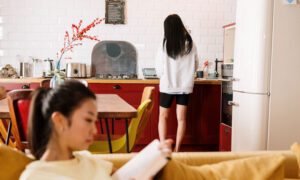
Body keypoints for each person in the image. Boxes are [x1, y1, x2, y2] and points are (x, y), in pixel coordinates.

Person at [20, 80, 172, 180]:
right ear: (60, 120)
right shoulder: (36, 176)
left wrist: (152, 159)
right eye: (88, 120)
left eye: (95, 122)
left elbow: (122, 175)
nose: (95, 131)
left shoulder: (87, 159)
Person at [155, 14, 200, 152]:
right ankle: (177, 150)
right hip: (184, 86)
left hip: (168, 85)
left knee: (163, 116)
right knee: (181, 119)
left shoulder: (164, 44)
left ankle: (163, 148)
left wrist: (162, 76)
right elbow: (196, 64)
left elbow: (159, 68)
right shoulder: (190, 43)